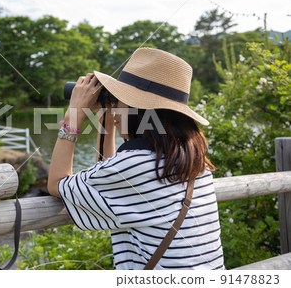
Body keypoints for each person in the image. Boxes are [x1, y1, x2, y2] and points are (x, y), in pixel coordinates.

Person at [48, 47, 225, 270]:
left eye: (119, 100)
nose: (115, 106)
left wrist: (72, 115)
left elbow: (57, 184)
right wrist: (106, 120)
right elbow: (108, 175)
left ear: (136, 110)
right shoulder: (194, 160)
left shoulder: (136, 165)